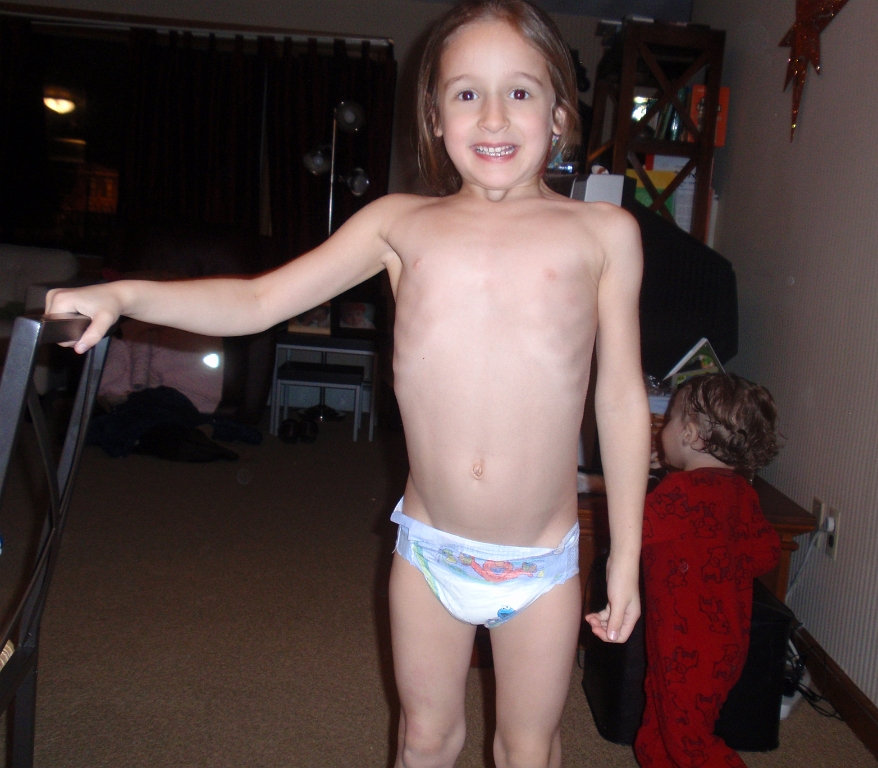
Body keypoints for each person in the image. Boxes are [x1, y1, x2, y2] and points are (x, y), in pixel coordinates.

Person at [47, 2, 650, 766]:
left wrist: (625, 553)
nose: (494, 116)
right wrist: (126, 294)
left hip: (540, 562)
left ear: (559, 113)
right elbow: (258, 300)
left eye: (520, 92)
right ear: (434, 117)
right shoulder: (399, 224)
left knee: (528, 749)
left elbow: (620, 398)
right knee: (424, 737)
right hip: (429, 552)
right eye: (467, 93)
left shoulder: (602, 234)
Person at [636, 373, 782, 768]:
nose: (662, 429)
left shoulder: (678, 493)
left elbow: (632, 529)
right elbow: (767, 552)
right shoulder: (740, 493)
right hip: (723, 643)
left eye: (669, 419)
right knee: (659, 729)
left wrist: (633, 475)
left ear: (689, 435)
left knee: (688, 739)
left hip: (683, 646)